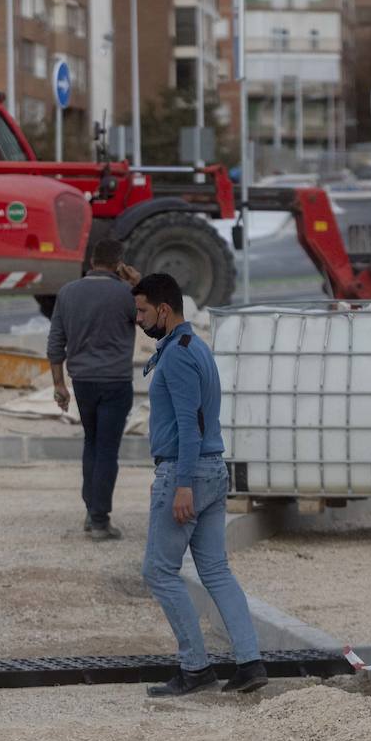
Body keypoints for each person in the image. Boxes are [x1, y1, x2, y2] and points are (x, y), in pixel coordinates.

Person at [132, 273, 267, 697]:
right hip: (212, 469)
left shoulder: (176, 357)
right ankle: (250, 662)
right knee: (215, 570)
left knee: (159, 570)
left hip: (185, 471)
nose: (138, 319)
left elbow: (190, 425)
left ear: (163, 310)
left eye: (142, 311)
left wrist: (183, 485)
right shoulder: (196, 347)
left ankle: (195, 668)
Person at [47, 239, 140, 541]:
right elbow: (153, 321)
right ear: (118, 264)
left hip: (83, 381)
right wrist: (141, 284)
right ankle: (100, 520)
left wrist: (59, 385)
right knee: (107, 449)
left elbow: (55, 342)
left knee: (92, 443)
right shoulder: (128, 294)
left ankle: (91, 511)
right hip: (115, 381)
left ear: (90, 262)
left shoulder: (68, 293)